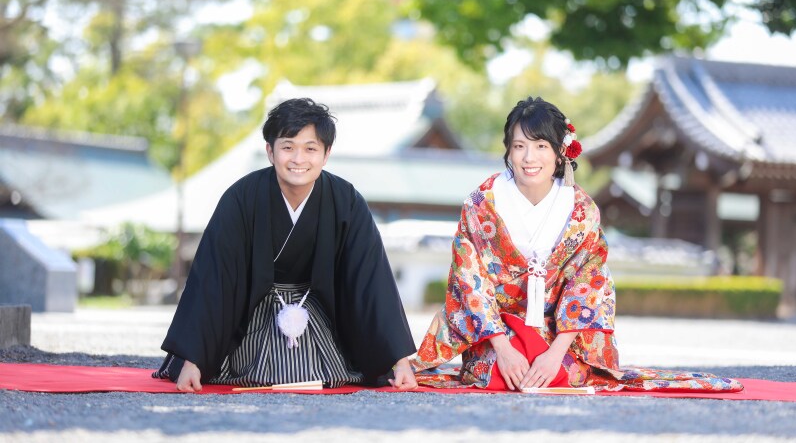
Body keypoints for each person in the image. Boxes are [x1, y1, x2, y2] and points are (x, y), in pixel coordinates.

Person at [409, 96, 743, 393]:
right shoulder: (483, 203)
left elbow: (589, 283)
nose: (529, 157)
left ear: (559, 153)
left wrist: (555, 354)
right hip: (497, 330)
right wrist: (504, 348)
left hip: (559, 332)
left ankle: (552, 361)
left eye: (541, 146)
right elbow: (469, 278)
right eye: (519, 145)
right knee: (495, 373)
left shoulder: (580, 209)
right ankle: (506, 356)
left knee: (564, 374)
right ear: (508, 150)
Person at [153, 98, 418, 391]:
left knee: (324, 369)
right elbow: (215, 278)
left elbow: (370, 279)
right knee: (256, 367)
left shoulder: (346, 201)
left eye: (311, 148)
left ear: (326, 154)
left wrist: (398, 361)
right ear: (270, 151)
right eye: (288, 146)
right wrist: (194, 360)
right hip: (253, 313)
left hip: (318, 313)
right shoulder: (242, 198)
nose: (298, 159)